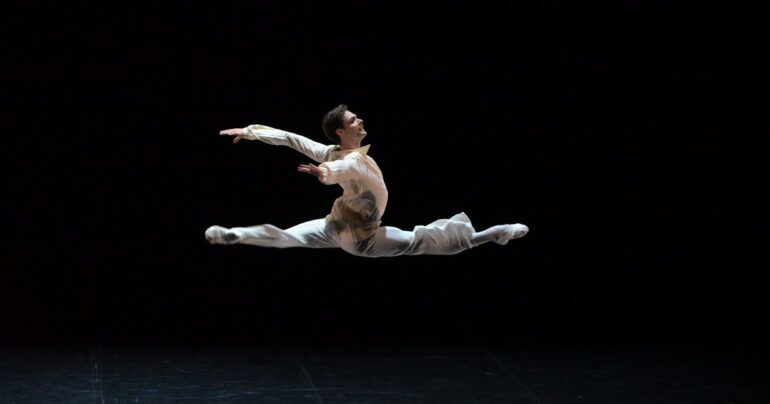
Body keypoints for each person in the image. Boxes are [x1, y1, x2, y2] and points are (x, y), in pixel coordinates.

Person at [205, 104, 528, 257]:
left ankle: (234, 234)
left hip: (335, 225)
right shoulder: (349, 158)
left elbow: (291, 139)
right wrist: (324, 174)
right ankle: (491, 235)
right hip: (362, 238)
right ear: (340, 132)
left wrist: (249, 132)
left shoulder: (330, 151)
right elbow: (343, 169)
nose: (360, 121)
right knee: (424, 241)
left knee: (289, 237)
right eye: (353, 120)